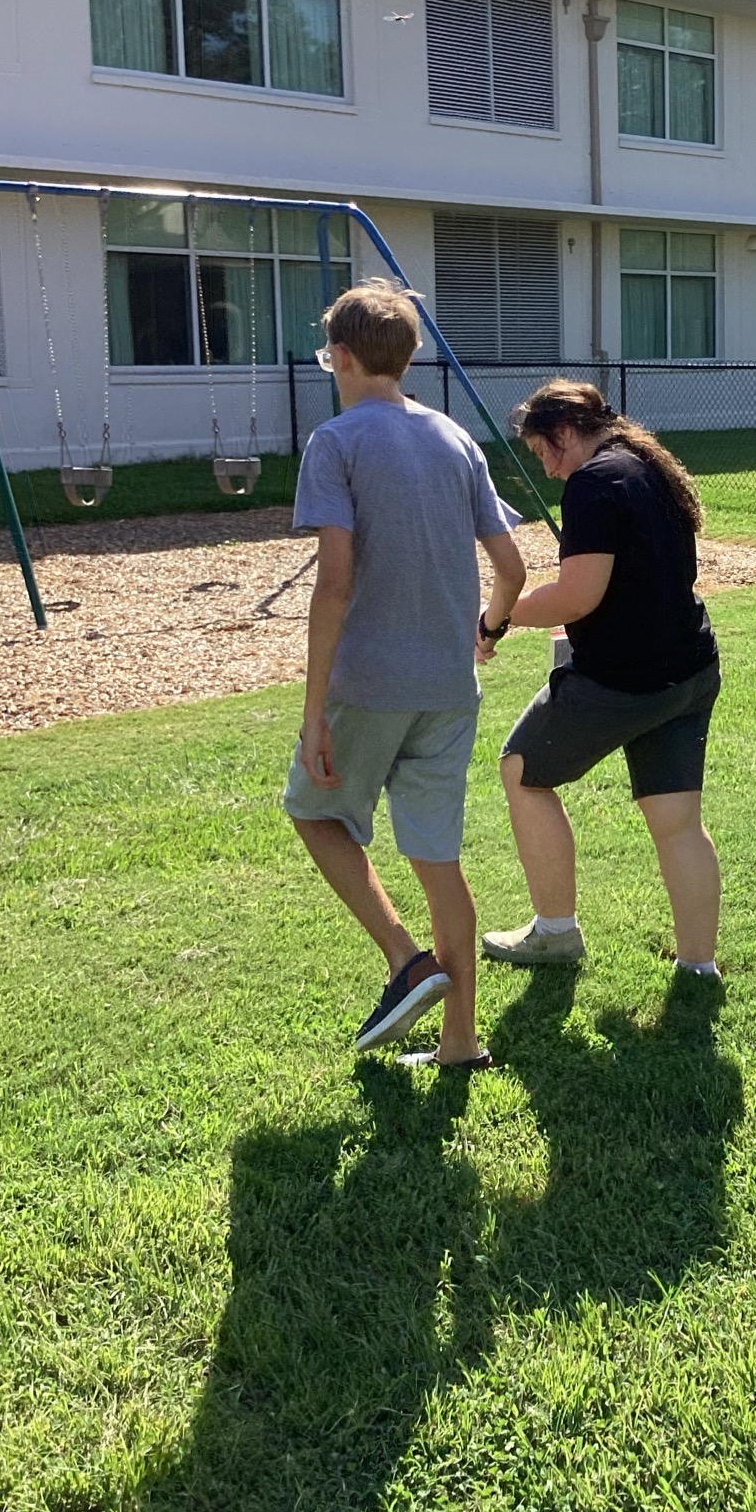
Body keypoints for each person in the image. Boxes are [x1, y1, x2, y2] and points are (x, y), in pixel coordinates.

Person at [285, 279, 526, 1068]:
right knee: (439, 863)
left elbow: (334, 584)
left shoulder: (337, 441)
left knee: (315, 814)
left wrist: (313, 709)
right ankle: (460, 1043)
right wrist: (486, 629)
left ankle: (404, 958)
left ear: (344, 357)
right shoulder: (456, 438)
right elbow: (512, 566)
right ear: (408, 356)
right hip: (450, 687)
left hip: (371, 683)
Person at [476, 380, 722, 977]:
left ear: (564, 433)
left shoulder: (594, 482)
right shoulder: (645, 464)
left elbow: (577, 597)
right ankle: (698, 967)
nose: (550, 471)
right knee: (677, 823)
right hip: (689, 670)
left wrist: (500, 617)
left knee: (521, 770)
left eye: (544, 453)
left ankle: (555, 934)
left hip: (624, 682)